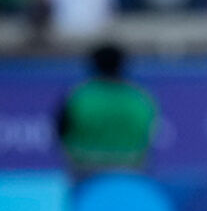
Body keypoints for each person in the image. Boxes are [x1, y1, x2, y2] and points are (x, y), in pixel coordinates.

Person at [56, 43, 158, 173]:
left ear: (94, 65)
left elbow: (61, 132)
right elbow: (150, 133)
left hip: (86, 168)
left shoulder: (78, 97)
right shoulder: (140, 98)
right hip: (131, 168)